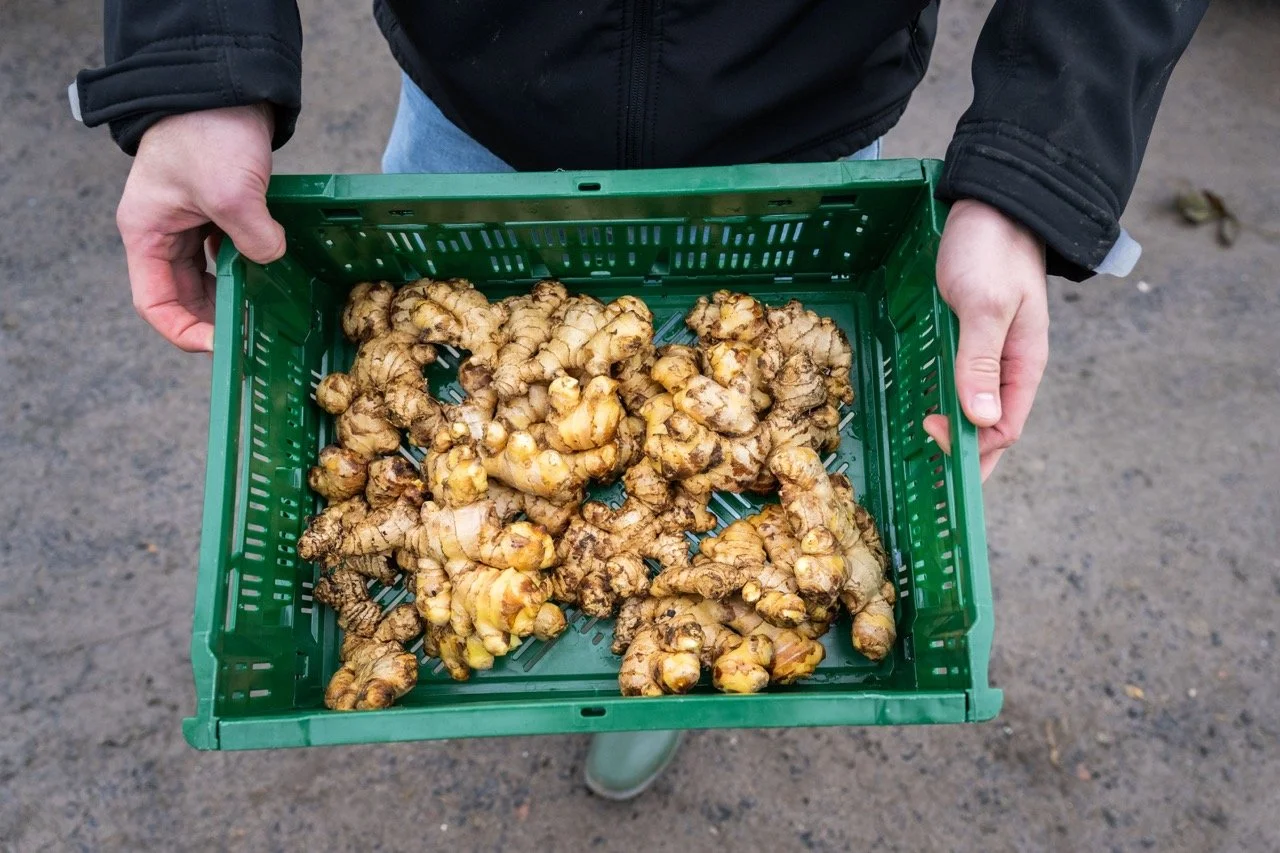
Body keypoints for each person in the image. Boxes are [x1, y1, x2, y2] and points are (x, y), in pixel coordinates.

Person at [75, 0, 1208, 799]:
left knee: (665, 577)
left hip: (798, 121)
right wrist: (196, 62)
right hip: (475, 95)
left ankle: (655, 686)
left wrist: (1028, 177)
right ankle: (649, 659)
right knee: (441, 325)